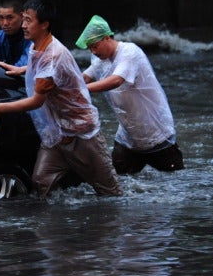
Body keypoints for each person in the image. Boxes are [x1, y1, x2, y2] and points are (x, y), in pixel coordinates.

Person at [0, 0, 122, 198]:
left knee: (110, 194)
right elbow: (41, 71)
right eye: (24, 19)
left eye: (28, 21)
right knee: (40, 184)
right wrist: (23, 69)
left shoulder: (53, 56)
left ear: (44, 24)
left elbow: (36, 100)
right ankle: (54, 227)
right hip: (56, 134)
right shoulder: (36, 45)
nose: (23, 25)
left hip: (81, 134)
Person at [76, 15, 184, 174]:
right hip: (128, 139)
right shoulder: (101, 59)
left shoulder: (129, 52)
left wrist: (83, 90)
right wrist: (62, 84)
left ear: (106, 38)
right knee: (117, 185)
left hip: (156, 136)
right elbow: (83, 78)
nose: (93, 51)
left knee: (176, 182)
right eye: (90, 48)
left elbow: (116, 80)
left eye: (94, 46)